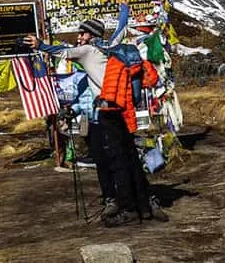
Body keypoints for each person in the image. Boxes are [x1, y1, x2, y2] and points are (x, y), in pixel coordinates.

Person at [24, 15, 168, 227]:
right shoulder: (110, 46)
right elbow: (120, 29)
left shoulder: (88, 51)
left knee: (117, 162)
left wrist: (41, 45)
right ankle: (146, 205)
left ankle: (127, 208)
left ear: (90, 34)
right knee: (131, 158)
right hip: (124, 108)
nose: (78, 37)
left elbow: (63, 53)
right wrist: (124, 11)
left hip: (107, 110)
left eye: (82, 33)